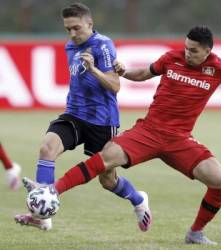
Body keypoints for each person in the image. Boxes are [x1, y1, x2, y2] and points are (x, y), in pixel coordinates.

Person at [20, 26, 221, 244]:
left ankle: (195, 233)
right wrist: (124, 72)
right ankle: (52, 190)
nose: (187, 53)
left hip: (180, 139)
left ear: (207, 51)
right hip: (149, 131)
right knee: (105, 160)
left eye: (193, 51)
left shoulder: (220, 68)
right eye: (186, 48)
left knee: (220, 182)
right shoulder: (172, 58)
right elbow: (144, 74)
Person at [14, 2, 151, 232]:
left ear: (90, 23)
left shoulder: (103, 45)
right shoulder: (70, 46)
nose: (72, 34)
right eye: (68, 29)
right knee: (47, 148)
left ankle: (138, 200)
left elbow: (115, 86)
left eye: (76, 28)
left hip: (102, 120)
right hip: (74, 114)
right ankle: (42, 214)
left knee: (108, 180)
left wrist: (94, 69)